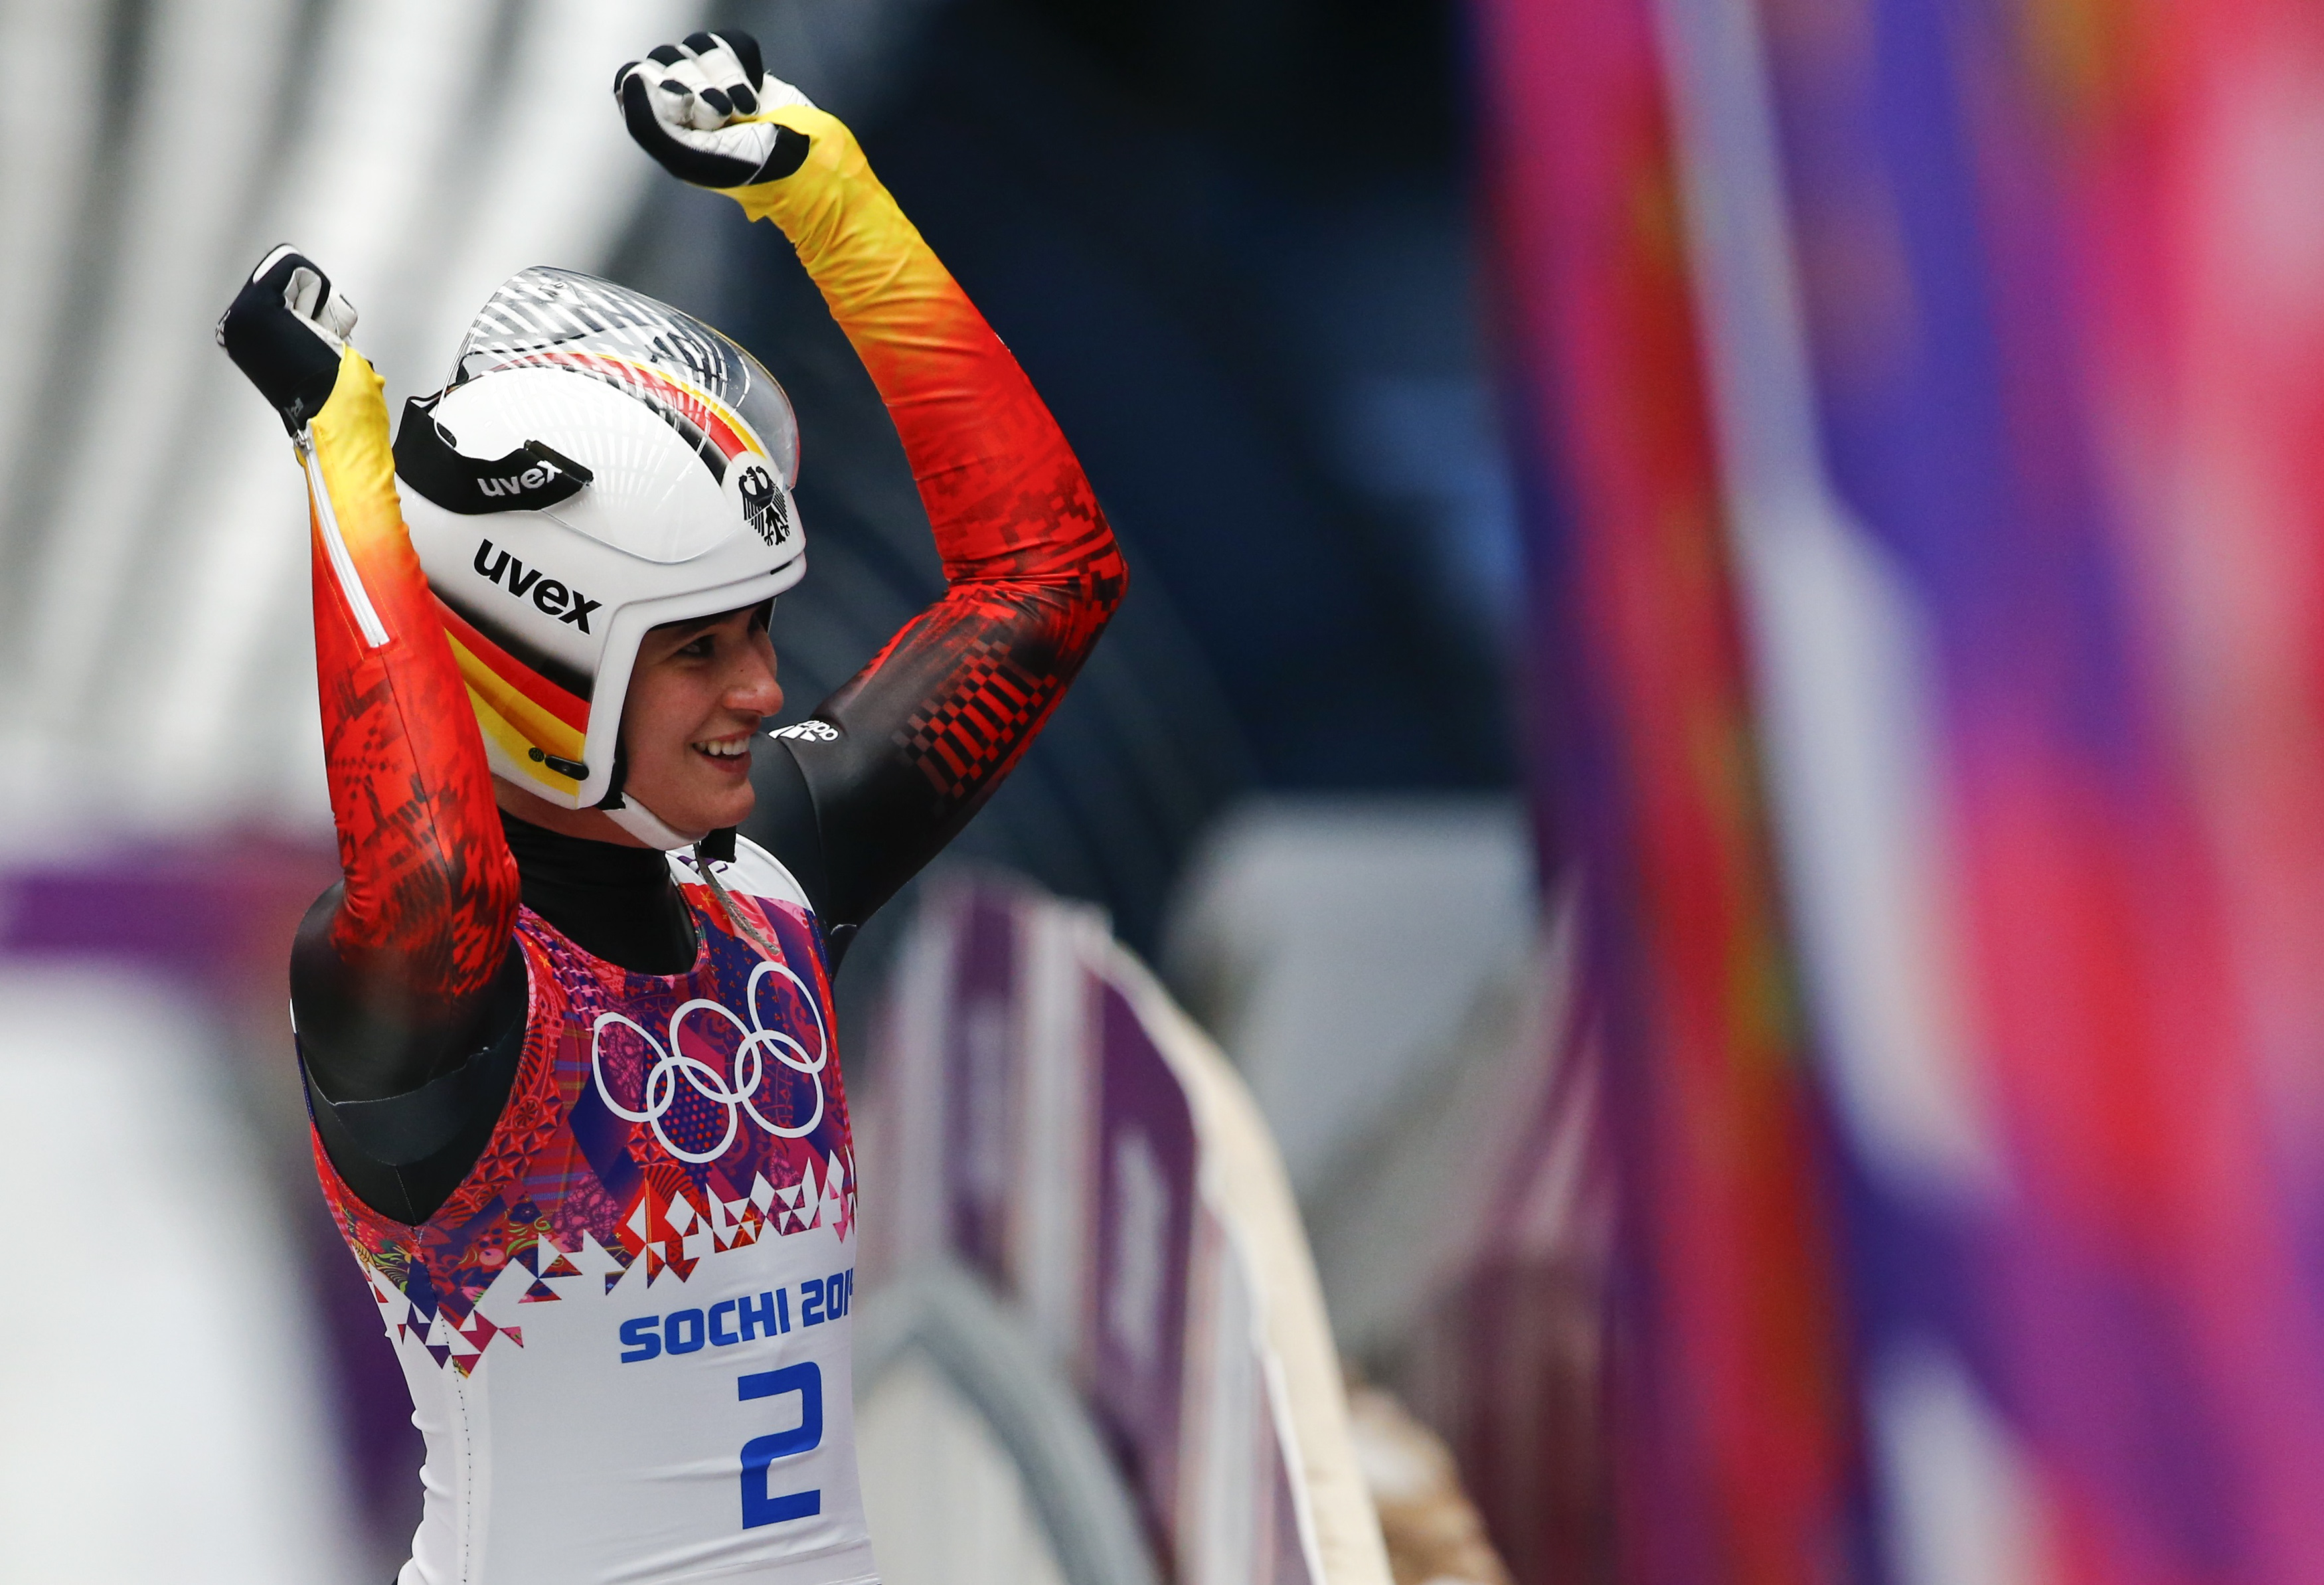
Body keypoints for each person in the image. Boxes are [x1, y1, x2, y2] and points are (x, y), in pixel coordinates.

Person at [216, 32, 1124, 1584]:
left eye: (760, 629)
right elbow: (440, 877)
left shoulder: (768, 880)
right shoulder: (431, 995)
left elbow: (1047, 582)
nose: (766, 689)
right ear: (542, 661)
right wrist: (346, 469)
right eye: (697, 649)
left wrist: (826, 196)